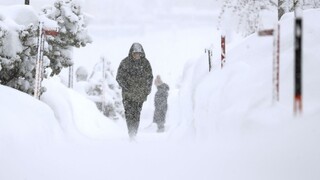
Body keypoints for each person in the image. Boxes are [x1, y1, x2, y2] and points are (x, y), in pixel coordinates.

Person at [116, 43, 153, 140]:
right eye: (135, 53)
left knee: (136, 115)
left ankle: (134, 134)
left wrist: (147, 90)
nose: (137, 55)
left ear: (141, 53)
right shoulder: (125, 63)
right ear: (131, 53)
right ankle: (131, 134)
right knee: (129, 115)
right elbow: (119, 77)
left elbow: (149, 78)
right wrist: (126, 86)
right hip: (128, 96)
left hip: (139, 96)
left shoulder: (145, 64)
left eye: (139, 53)